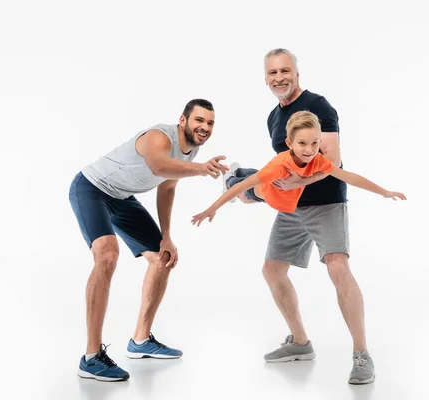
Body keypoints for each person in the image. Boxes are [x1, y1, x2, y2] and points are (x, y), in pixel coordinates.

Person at [236, 48, 393, 385]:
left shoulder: (319, 106)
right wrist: (265, 191)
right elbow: (286, 165)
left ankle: (362, 355)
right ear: (266, 78)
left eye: (285, 71)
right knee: (272, 270)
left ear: (296, 72)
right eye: (272, 73)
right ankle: (300, 343)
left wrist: (302, 181)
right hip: (295, 207)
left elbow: (332, 160)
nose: (279, 78)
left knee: (338, 266)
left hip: (326, 203)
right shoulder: (273, 118)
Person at [68, 99, 228, 382]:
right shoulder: (159, 136)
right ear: (183, 120)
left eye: (210, 123)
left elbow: (167, 187)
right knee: (107, 255)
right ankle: (91, 358)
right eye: (199, 120)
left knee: (163, 259)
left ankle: (140, 341)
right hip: (92, 188)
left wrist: (166, 236)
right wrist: (202, 169)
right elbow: (157, 166)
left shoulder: (192, 150)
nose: (204, 127)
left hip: (121, 198)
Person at [191, 110, 405, 224]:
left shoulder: (318, 160)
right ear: (289, 143)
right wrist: (212, 208)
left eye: (314, 143)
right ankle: (230, 175)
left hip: (271, 182)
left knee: (256, 173)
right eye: (302, 143)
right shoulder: (279, 165)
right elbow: (243, 187)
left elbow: (349, 177)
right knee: (241, 188)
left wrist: (384, 192)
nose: (309, 150)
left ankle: (238, 170)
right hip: (259, 193)